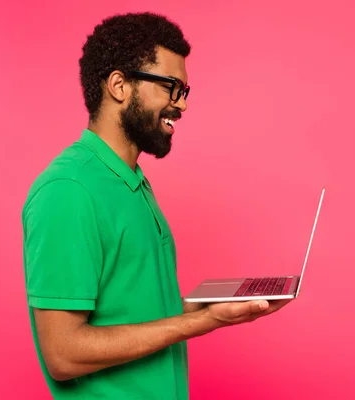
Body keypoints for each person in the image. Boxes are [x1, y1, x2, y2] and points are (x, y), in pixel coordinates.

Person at [21, 11, 291, 400]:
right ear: (119, 85)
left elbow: (133, 316)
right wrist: (202, 324)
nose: (180, 105)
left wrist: (206, 309)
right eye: (171, 87)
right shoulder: (69, 190)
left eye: (184, 91)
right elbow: (63, 354)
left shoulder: (132, 183)